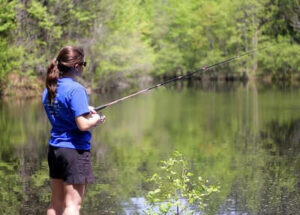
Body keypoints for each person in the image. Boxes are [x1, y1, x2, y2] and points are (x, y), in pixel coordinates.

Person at [42, 46, 105, 215]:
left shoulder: (49, 89)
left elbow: (62, 112)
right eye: (83, 64)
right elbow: (82, 125)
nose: (84, 67)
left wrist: (84, 109)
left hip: (55, 150)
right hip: (74, 151)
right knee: (72, 205)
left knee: (55, 204)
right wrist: (96, 119)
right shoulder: (76, 89)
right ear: (76, 66)